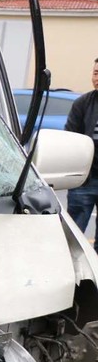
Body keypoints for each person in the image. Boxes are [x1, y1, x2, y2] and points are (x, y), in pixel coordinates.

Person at [65, 58, 98, 245]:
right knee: (73, 236)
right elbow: (70, 139)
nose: (97, 78)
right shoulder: (82, 104)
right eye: (95, 73)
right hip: (85, 179)